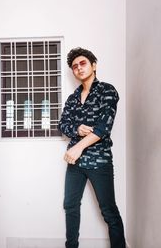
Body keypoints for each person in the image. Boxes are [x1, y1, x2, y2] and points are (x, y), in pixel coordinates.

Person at [58, 47, 126, 248]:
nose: (78, 68)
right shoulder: (72, 98)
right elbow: (63, 125)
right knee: (70, 206)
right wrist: (77, 129)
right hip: (75, 163)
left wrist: (78, 147)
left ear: (93, 65)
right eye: (74, 66)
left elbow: (104, 127)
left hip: (99, 161)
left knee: (108, 211)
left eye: (83, 63)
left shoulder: (108, 90)